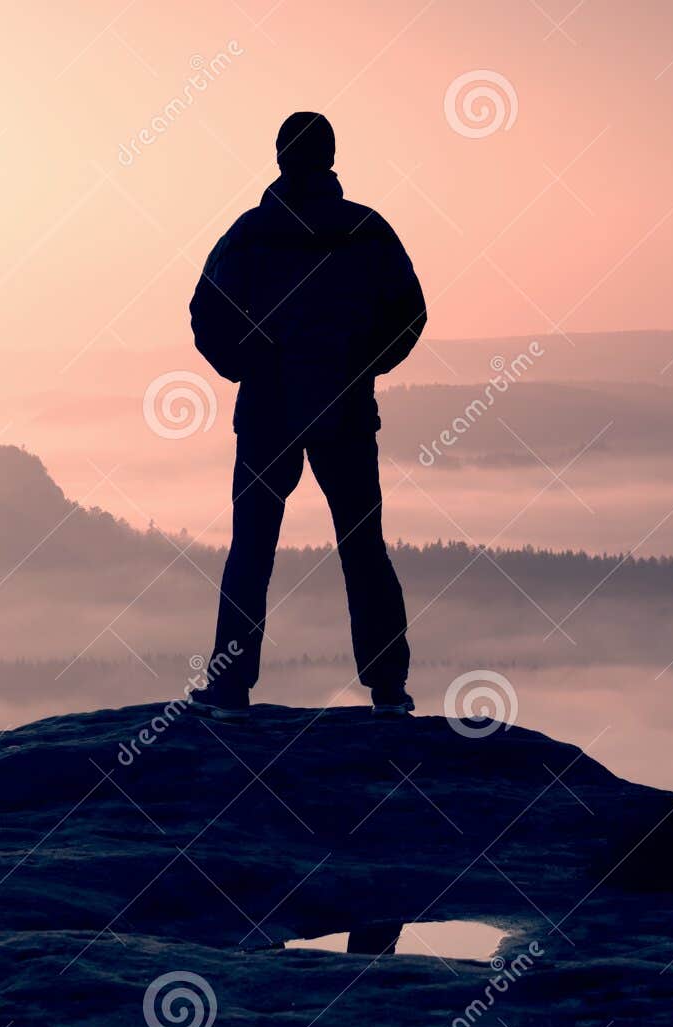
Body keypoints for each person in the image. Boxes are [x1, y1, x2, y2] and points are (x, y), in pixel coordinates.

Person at [186, 111, 426, 721]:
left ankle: (230, 691)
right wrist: (362, 365)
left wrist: (246, 367)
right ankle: (389, 690)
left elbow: (206, 312)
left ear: (279, 157)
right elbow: (410, 312)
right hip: (347, 411)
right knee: (363, 548)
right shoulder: (367, 231)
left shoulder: (251, 233)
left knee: (252, 548)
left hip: (267, 412)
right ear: (330, 157)